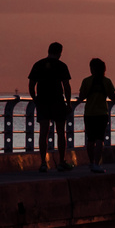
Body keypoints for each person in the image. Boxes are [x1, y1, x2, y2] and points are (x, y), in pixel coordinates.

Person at [28, 41, 74, 172]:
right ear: (59, 52)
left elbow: (31, 85)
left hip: (42, 101)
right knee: (60, 132)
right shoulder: (61, 66)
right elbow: (66, 86)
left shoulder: (38, 64)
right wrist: (68, 102)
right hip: (57, 101)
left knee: (43, 132)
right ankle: (61, 162)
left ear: (48, 51)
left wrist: (35, 99)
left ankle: (43, 162)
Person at [76, 57, 115, 173]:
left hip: (89, 113)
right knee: (100, 139)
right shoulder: (106, 81)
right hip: (102, 113)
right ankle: (97, 163)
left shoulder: (86, 81)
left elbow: (81, 96)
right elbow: (113, 98)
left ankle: (91, 162)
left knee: (90, 139)